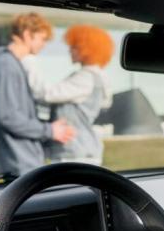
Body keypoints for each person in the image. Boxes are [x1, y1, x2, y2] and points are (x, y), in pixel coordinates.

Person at [0, 13, 75, 177]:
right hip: (18, 162)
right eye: (42, 39)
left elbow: (15, 113)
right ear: (26, 34)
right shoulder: (5, 65)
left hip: (21, 161)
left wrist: (50, 127)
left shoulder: (12, 64)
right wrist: (49, 131)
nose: (44, 45)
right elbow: (7, 116)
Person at [22, 24, 113, 165]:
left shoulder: (86, 77)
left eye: (74, 47)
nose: (70, 50)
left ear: (87, 49)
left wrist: (28, 59)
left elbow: (46, 94)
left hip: (75, 153)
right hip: (80, 152)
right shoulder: (96, 76)